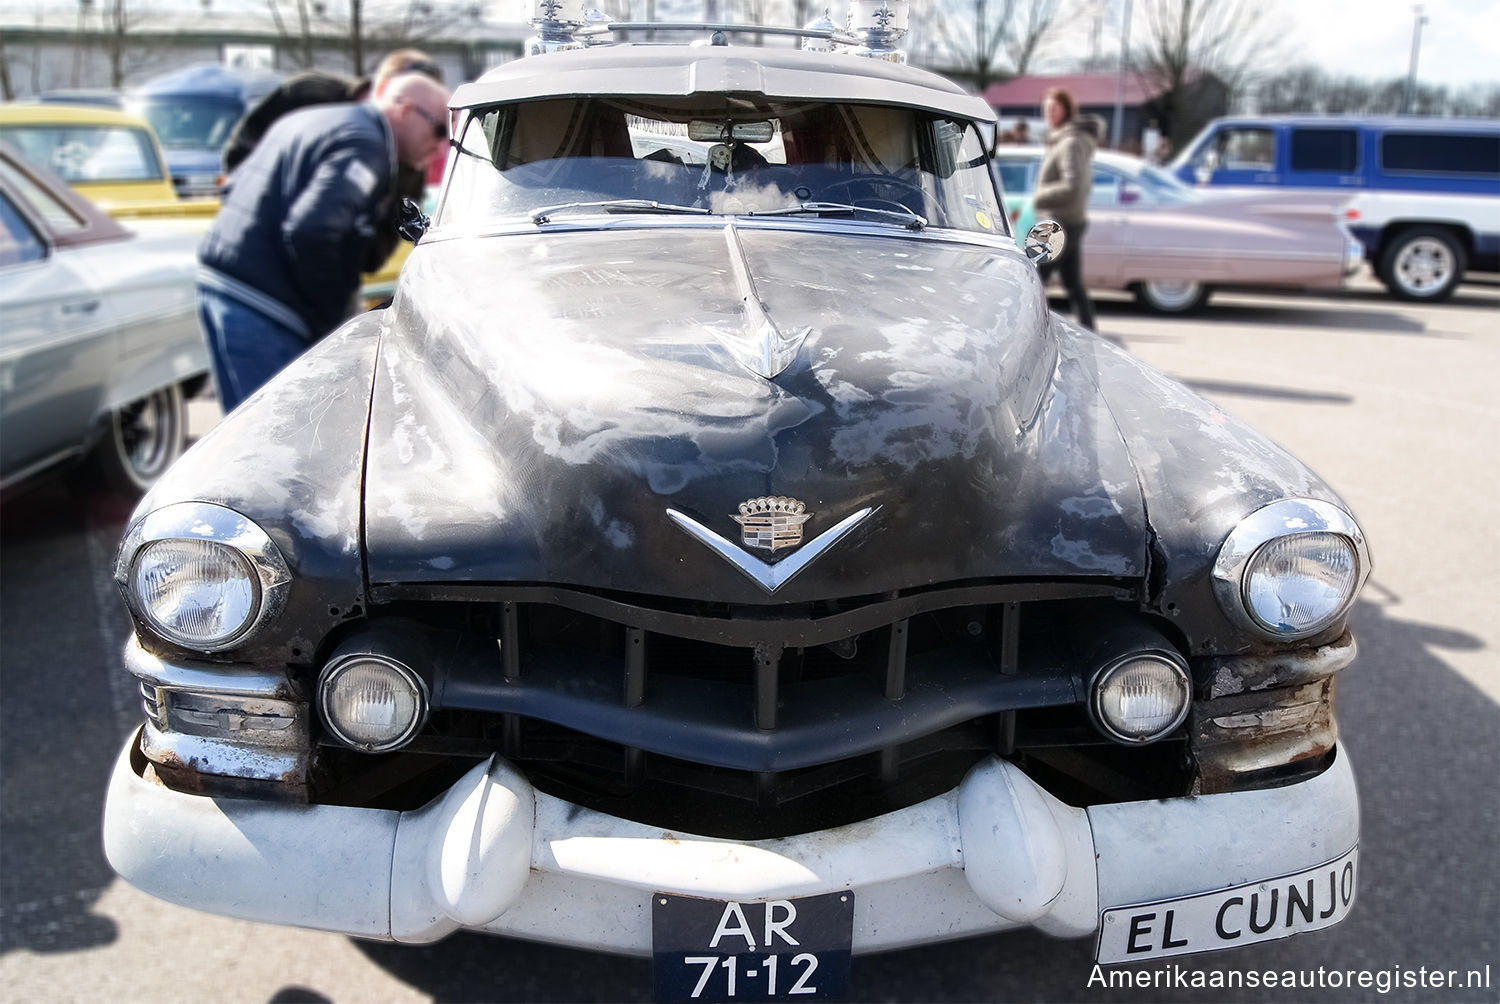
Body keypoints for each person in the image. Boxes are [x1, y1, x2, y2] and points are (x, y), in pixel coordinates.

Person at [196, 72, 452, 412]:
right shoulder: (366, 145)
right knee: (280, 436)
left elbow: (237, 184)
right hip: (266, 304)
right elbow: (313, 232)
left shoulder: (318, 119)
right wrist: (333, 330)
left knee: (240, 431)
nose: (439, 146)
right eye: (438, 131)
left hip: (222, 282)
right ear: (405, 111)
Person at [222, 50, 446, 276]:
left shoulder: (409, 163)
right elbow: (241, 152)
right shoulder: (309, 95)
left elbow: (374, 256)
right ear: (384, 87)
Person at [1031, 86, 1098, 332]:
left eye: (1054, 108)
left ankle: (1029, 333)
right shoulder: (1062, 139)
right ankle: (1090, 331)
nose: (1049, 112)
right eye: (1046, 108)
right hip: (1068, 219)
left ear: (1067, 110)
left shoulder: (1070, 142)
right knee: (1072, 282)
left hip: (1059, 222)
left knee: (1034, 278)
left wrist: (1040, 196)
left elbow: (1074, 184)